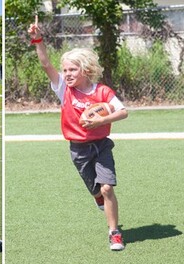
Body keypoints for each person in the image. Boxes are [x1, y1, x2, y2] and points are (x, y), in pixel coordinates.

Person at [30, 16, 128, 251]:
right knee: (96, 191)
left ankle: (114, 233)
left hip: (102, 145)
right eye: (64, 70)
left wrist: (103, 119)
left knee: (107, 188)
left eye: (72, 69)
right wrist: (37, 40)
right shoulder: (63, 89)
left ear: (86, 70)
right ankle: (97, 196)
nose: (67, 74)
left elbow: (123, 112)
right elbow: (46, 65)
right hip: (78, 149)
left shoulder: (102, 91)